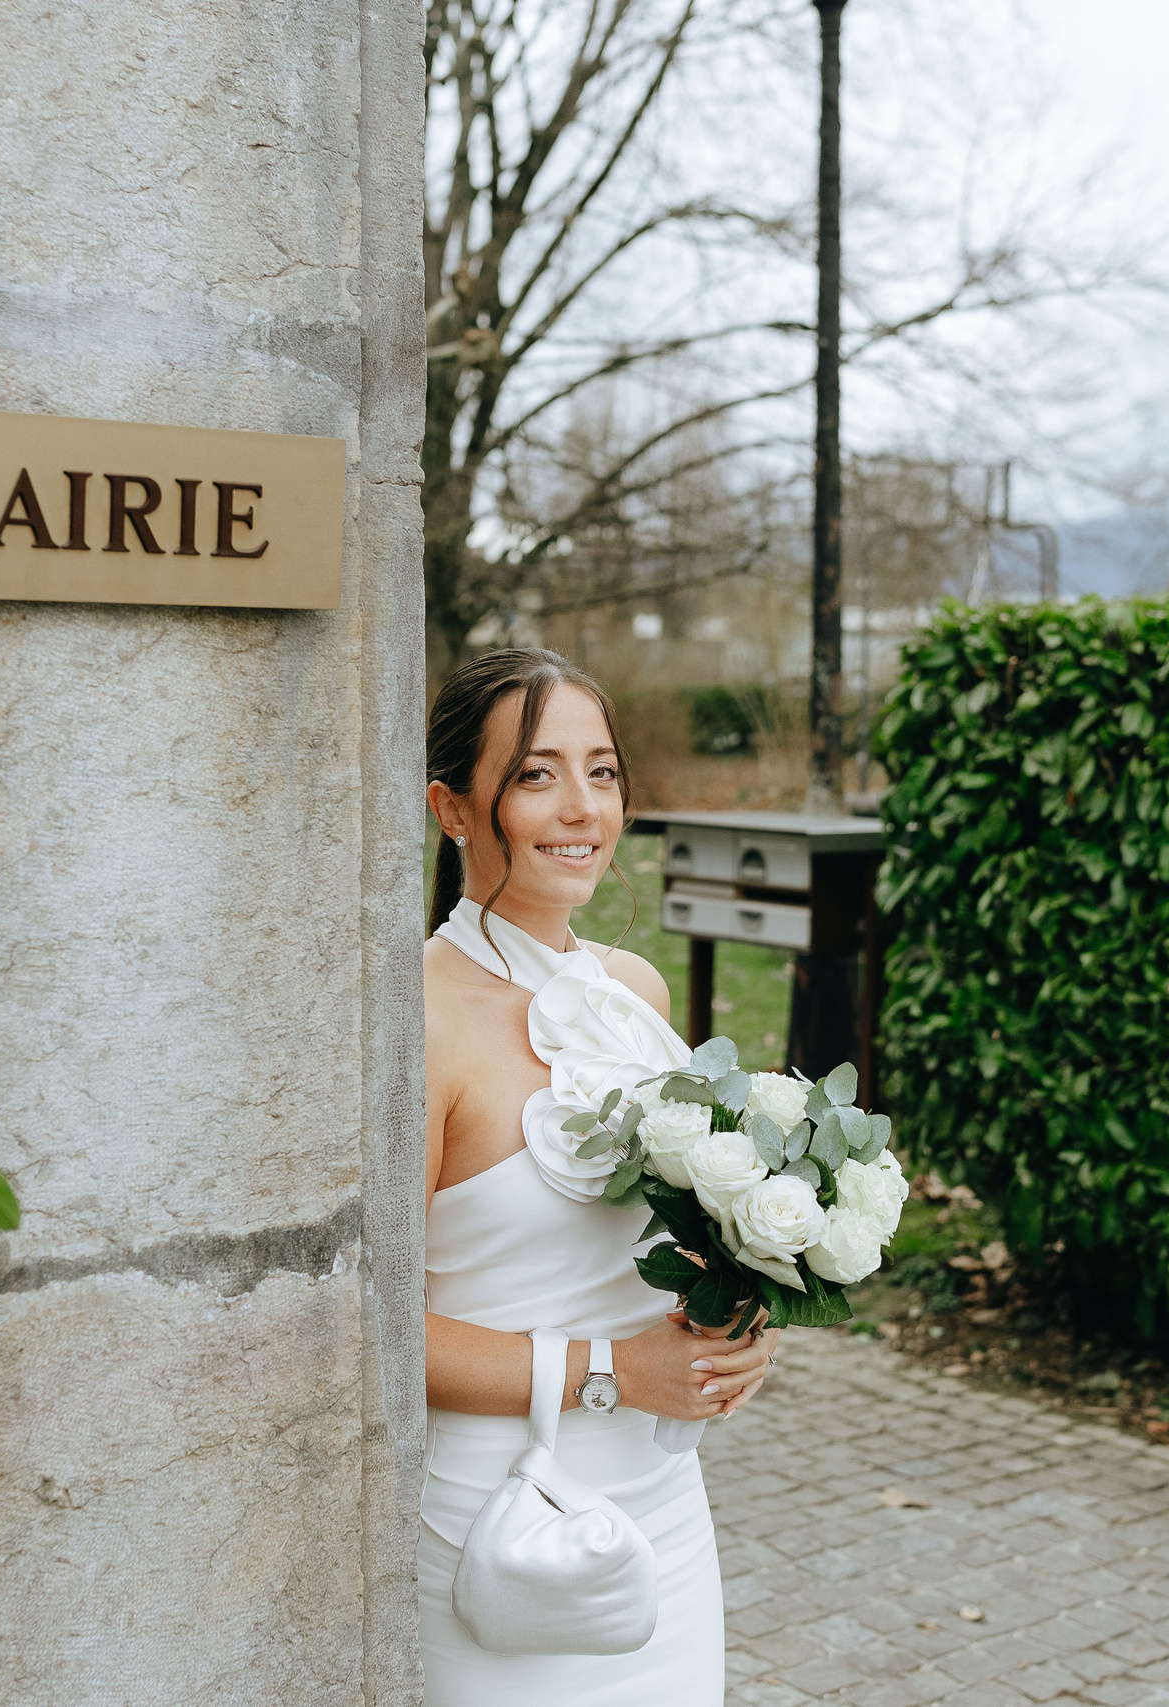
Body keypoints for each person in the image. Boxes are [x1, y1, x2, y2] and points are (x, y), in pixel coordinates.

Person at [418, 647, 779, 1704]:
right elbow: (367, 1328)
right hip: (500, 1521)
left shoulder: (633, 989)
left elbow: (667, 1242)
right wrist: (611, 1373)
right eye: (535, 775)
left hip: (663, 1502)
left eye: (603, 772)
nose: (581, 809)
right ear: (452, 807)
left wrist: (734, 1323)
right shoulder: (415, 1021)